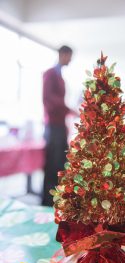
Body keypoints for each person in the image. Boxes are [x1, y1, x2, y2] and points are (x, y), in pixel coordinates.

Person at [42, 45, 77, 206]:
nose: (70, 59)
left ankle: (57, 199)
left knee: (61, 163)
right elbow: (48, 100)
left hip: (61, 127)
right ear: (62, 54)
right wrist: (69, 110)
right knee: (52, 166)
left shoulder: (60, 77)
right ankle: (48, 201)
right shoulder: (50, 74)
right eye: (69, 56)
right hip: (53, 127)